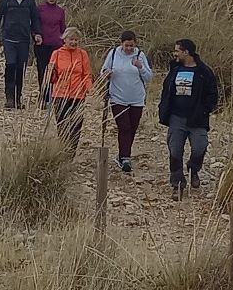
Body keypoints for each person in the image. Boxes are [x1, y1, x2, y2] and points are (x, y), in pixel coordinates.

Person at [158, 38, 219, 199]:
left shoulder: (204, 72)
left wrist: (205, 110)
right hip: (176, 118)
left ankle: (193, 168)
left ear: (186, 52)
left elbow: (213, 94)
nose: (175, 53)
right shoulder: (175, 69)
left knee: (200, 148)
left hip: (197, 119)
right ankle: (177, 185)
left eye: (178, 50)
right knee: (175, 151)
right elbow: (166, 90)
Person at [100, 30, 153, 172]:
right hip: (117, 97)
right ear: (121, 43)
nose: (129, 48)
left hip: (136, 99)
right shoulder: (113, 54)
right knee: (124, 126)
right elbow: (103, 71)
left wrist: (140, 67)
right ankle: (125, 157)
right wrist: (107, 73)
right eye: (126, 45)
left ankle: (123, 154)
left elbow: (148, 77)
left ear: (135, 43)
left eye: (131, 45)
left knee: (133, 128)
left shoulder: (140, 55)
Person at [0, 0, 42, 109]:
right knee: (10, 65)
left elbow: (35, 19)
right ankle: (9, 98)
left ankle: (18, 98)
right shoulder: (6, 0)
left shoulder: (30, 1)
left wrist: (37, 34)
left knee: (21, 69)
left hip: (24, 40)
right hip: (9, 39)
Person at [48, 27, 93, 150]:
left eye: (76, 40)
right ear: (64, 39)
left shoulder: (83, 54)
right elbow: (51, 75)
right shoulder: (56, 54)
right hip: (60, 95)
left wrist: (90, 88)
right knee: (62, 125)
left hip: (78, 95)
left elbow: (87, 74)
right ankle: (62, 150)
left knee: (76, 126)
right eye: (71, 39)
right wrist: (50, 74)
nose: (73, 42)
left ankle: (71, 152)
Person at [35, 0, 67, 108]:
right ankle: (43, 96)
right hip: (42, 44)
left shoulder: (60, 11)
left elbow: (63, 27)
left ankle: (53, 96)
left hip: (56, 45)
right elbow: (35, 24)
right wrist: (36, 35)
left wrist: (64, 42)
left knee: (54, 72)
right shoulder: (40, 9)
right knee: (42, 71)